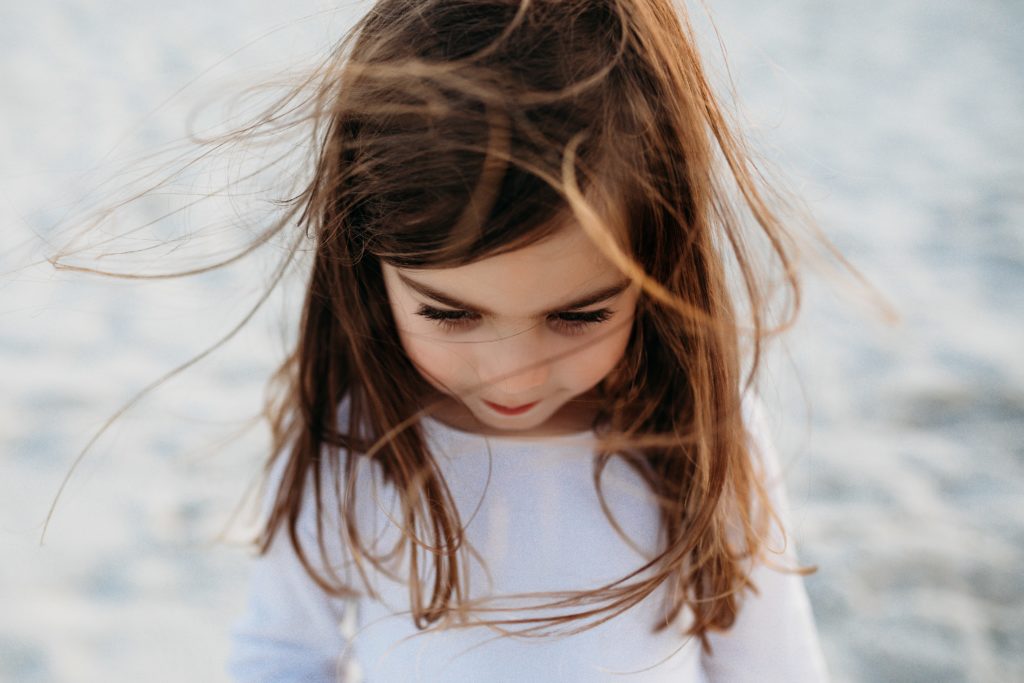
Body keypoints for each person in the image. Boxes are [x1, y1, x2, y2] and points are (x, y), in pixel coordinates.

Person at [215, 0, 834, 680]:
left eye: (578, 316)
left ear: (660, 264)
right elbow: (282, 654)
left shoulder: (707, 440)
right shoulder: (352, 446)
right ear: (367, 266)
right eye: (451, 315)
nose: (514, 375)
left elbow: (775, 669)